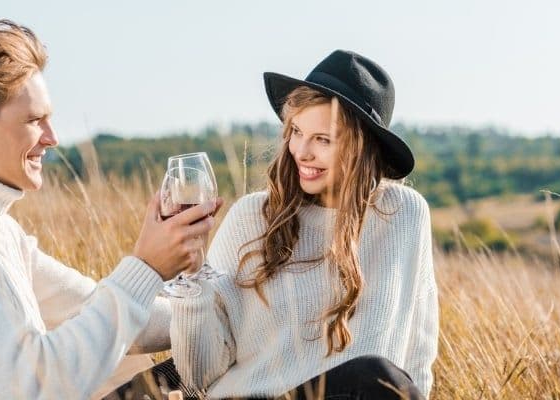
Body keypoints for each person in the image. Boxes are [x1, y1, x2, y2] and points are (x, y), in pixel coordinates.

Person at [0, 19, 219, 399]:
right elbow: (33, 386)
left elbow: (92, 310)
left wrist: (220, 314)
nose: (53, 137)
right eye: (34, 120)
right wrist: (146, 268)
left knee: (208, 365)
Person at [170, 50, 439, 399]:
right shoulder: (252, 217)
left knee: (379, 376)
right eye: (296, 131)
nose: (301, 151)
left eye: (322, 139)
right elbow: (196, 376)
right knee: (373, 376)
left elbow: (418, 347)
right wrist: (190, 279)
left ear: (362, 148)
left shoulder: (405, 214)